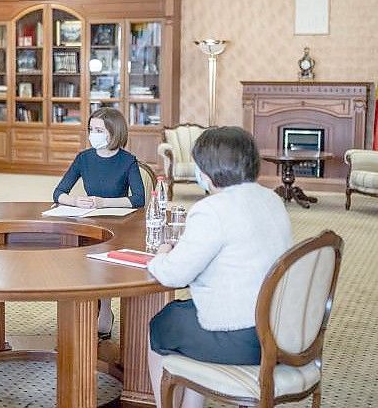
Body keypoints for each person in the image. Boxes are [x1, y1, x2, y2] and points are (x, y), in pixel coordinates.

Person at [145, 126, 292, 408]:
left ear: (207, 169)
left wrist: (160, 255)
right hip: (280, 327)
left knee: (163, 324)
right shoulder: (271, 198)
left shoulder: (213, 209)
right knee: (185, 314)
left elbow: (174, 275)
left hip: (241, 336)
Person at [53, 107, 145, 338]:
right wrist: (75, 200)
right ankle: (82, 309)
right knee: (76, 254)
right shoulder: (84, 158)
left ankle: (105, 310)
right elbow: (58, 193)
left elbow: (138, 199)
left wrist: (104, 202)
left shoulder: (128, 161)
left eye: (99, 130)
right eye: (91, 129)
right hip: (88, 220)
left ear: (115, 133)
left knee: (104, 257)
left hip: (118, 222)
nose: (93, 134)